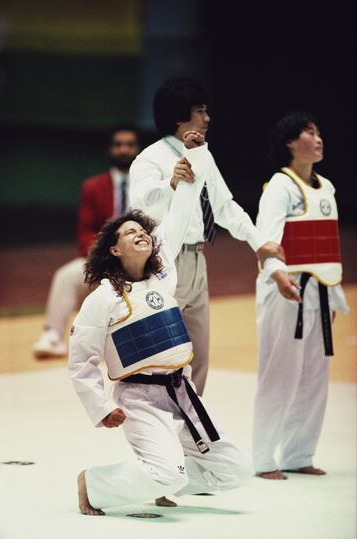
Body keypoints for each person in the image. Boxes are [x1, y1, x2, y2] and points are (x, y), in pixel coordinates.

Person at [68, 130, 253, 516]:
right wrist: (99, 406)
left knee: (235, 471)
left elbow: (178, 219)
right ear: (114, 250)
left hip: (182, 393)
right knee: (166, 473)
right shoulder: (102, 299)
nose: (141, 234)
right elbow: (81, 360)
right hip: (139, 399)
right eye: (129, 232)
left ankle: (164, 476)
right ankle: (97, 483)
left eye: (143, 231)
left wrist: (193, 158)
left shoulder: (163, 277)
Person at [129, 77, 285, 397]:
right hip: (163, 261)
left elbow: (225, 207)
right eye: (200, 111)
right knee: (164, 353)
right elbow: (139, 203)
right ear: (178, 117)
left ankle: (192, 429)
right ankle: (161, 427)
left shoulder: (204, 156)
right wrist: (168, 184)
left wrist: (258, 243)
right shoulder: (151, 158)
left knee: (199, 355)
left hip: (197, 259)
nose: (208, 118)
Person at [252, 111, 349, 480]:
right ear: (291, 143)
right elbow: (266, 238)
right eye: (309, 132)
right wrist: (276, 275)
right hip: (287, 289)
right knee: (280, 374)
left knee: (314, 376)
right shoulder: (280, 186)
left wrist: (334, 293)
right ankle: (263, 459)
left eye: (319, 132)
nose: (318, 138)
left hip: (319, 292)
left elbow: (327, 248)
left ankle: (298, 452)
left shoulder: (327, 188)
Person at [32, 124, 140, 359]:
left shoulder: (149, 185)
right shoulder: (93, 187)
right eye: (118, 144)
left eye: (129, 144)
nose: (124, 149)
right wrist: (104, 259)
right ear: (110, 149)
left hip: (139, 263)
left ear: (137, 149)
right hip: (103, 259)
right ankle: (52, 336)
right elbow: (85, 230)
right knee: (66, 275)